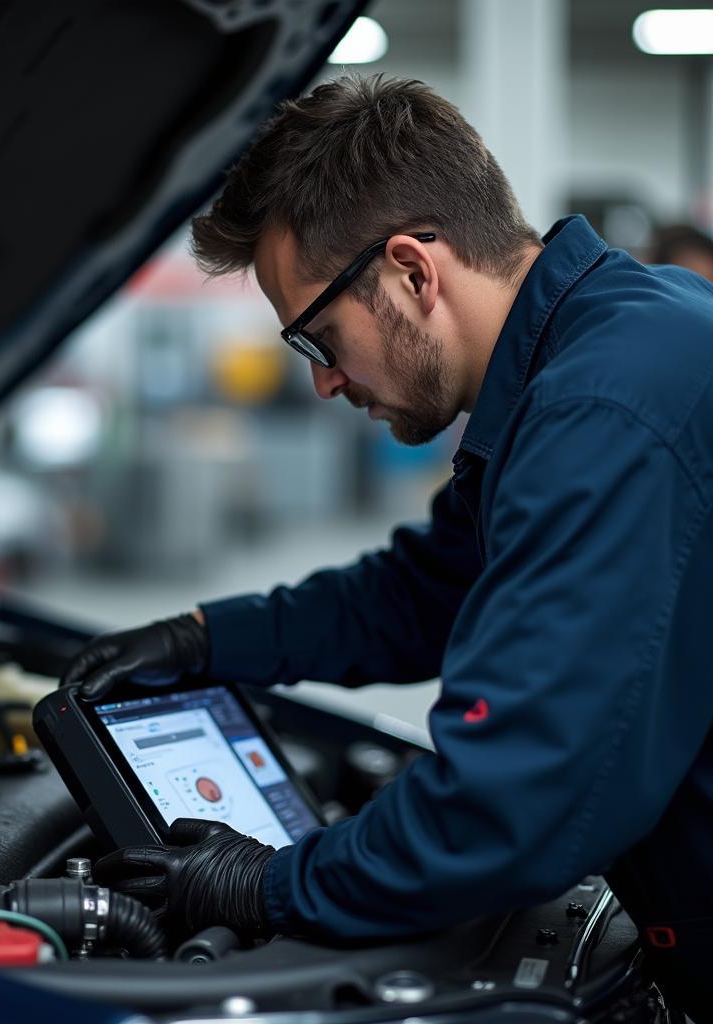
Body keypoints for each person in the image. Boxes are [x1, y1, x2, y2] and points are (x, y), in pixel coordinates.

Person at [60, 76, 713, 1014]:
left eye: (318, 338)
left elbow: (509, 807)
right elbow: (426, 593)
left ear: (412, 269)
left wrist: (271, 884)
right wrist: (206, 638)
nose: (324, 384)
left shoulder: (603, 412)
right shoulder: (589, 356)